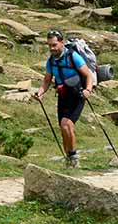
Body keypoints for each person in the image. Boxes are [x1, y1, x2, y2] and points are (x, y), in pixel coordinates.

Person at [38, 29, 95, 169]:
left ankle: (74, 158)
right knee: (63, 129)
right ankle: (69, 158)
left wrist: (88, 90)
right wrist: (40, 93)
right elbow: (47, 80)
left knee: (66, 124)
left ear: (61, 43)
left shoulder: (73, 56)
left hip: (78, 94)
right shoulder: (51, 62)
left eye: (54, 45)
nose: (52, 48)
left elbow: (88, 75)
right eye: (49, 45)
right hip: (63, 96)